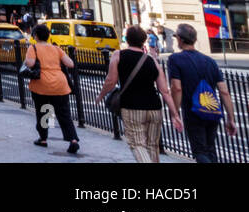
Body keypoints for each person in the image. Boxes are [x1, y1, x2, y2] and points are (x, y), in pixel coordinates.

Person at [95, 26, 182, 162]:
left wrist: (100, 96)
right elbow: (164, 91)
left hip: (132, 107)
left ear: (127, 39)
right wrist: (175, 114)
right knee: (152, 146)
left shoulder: (118, 55)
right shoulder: (151, 60)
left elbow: (110, 81)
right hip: (154, 108)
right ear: (143, 41)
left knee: (137, 144)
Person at [166, 22, 238, 163]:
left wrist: (174, 113)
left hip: (193, 112)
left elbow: (177, 88)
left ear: (180, 39)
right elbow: (224, 92)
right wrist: (231, 118)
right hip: (212, 111)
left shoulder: (175, 59)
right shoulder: (210, 61)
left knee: (200, 151)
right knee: (210, 149)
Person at [23, 23, 80, 154]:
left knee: (43, 112)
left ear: (36, 36)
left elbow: (30, 64)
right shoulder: (56, 49)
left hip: (41, 84)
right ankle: (73, 140)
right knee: (64, 114)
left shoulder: (33, 48)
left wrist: (27, 60)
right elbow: (70, 64)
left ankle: (43, 138)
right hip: (60, 84)